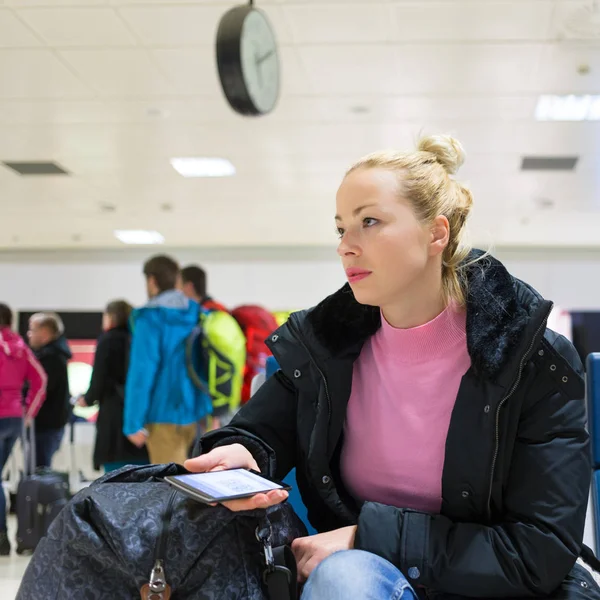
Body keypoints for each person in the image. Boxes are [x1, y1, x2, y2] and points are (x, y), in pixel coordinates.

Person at [184, 135, 597, 599]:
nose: (346, 247)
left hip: (495, 591)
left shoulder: (532, 359)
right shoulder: (327, 348)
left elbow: (537, 550)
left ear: (436, 233)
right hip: (365, 582)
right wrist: (245, 453)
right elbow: (262, 431)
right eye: (341, 229)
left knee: (342, 576)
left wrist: (369, 537)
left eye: (370, 222)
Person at [124, 255, 212, 465]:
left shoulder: (150, 318)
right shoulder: (197, 314)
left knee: (170, 490)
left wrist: (132, 422)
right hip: (196, 412)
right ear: (176, 280)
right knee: (192, 484)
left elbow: (142, 371)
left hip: (163, 415)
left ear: (152, 281)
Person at [78, 300, 148, 472]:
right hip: (140, 413)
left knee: (115, 476)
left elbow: (99, 377)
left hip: (113, 413)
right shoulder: (140, 338)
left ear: (111, 317)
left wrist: (87, 399)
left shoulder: (108, 340)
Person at [0, 303, 47, 556]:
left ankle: (1, 538)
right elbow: (40, 379)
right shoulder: (20, 347)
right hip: (14, 418)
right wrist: (28, 412)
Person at [28, 312, 72, 469]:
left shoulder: (50, 359)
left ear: (45, 333)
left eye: (32, 329)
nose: (29, 334)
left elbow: (39, 389)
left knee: (39, 470)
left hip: (45, 425)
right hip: (48, 424)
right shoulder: (54, 355)